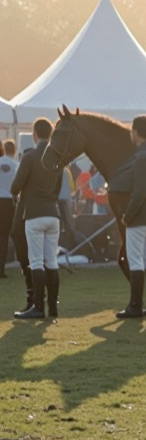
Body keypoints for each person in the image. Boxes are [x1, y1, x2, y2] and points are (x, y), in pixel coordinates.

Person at [10, 118, 61, 319]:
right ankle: (53, 307)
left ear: (34, 134)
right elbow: (58, 188)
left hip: (34, 213)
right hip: (53, 213)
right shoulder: (56, 158)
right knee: (52, 261)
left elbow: (16, 186)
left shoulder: (30, 157)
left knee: (37, 261)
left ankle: (38, 306)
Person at [117, 115, 146, 319]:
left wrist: (128, 215)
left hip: (140, 218)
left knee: (135, 260)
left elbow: (140, 191)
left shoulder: (142, 157)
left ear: (136, 132)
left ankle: (135, 306)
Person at [0, 140, 17, 277]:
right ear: (15, 150)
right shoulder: (16, 165)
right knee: (4, 236)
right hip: (9, 202)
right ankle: (1, 269)